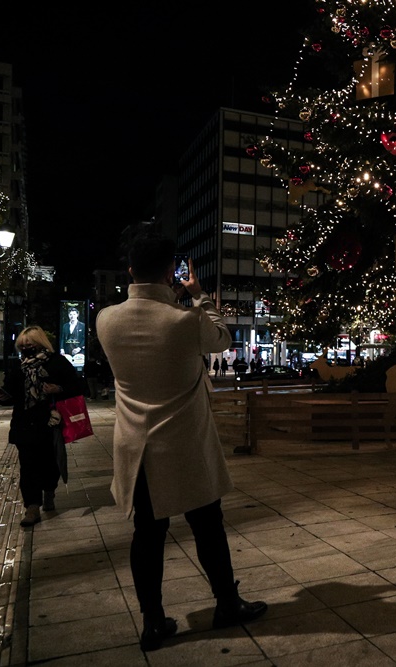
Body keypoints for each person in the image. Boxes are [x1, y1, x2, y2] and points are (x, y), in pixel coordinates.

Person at [96, 235, 267, 652]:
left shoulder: (106, 319)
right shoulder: (185, 321)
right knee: (208, 527)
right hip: (184, 444)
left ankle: (153, 621)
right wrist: (199, 296)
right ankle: (226, 602)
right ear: (172, 272)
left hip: (137, 447)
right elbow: (223, 338)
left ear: (131, 271)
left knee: (147, 535)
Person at [0, 326, 84, 527]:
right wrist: (3, 397)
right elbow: (12, 395)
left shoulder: (57, 363)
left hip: (50, 423)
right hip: (24, 424)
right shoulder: (19, 367)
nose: (25, 348)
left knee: (50, 463)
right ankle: (32, 507)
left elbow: (78, 387)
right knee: (28, 466)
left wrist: (58, 389)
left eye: (30, 344)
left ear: (40, 343)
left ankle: (49, 490)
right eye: (22, 345)